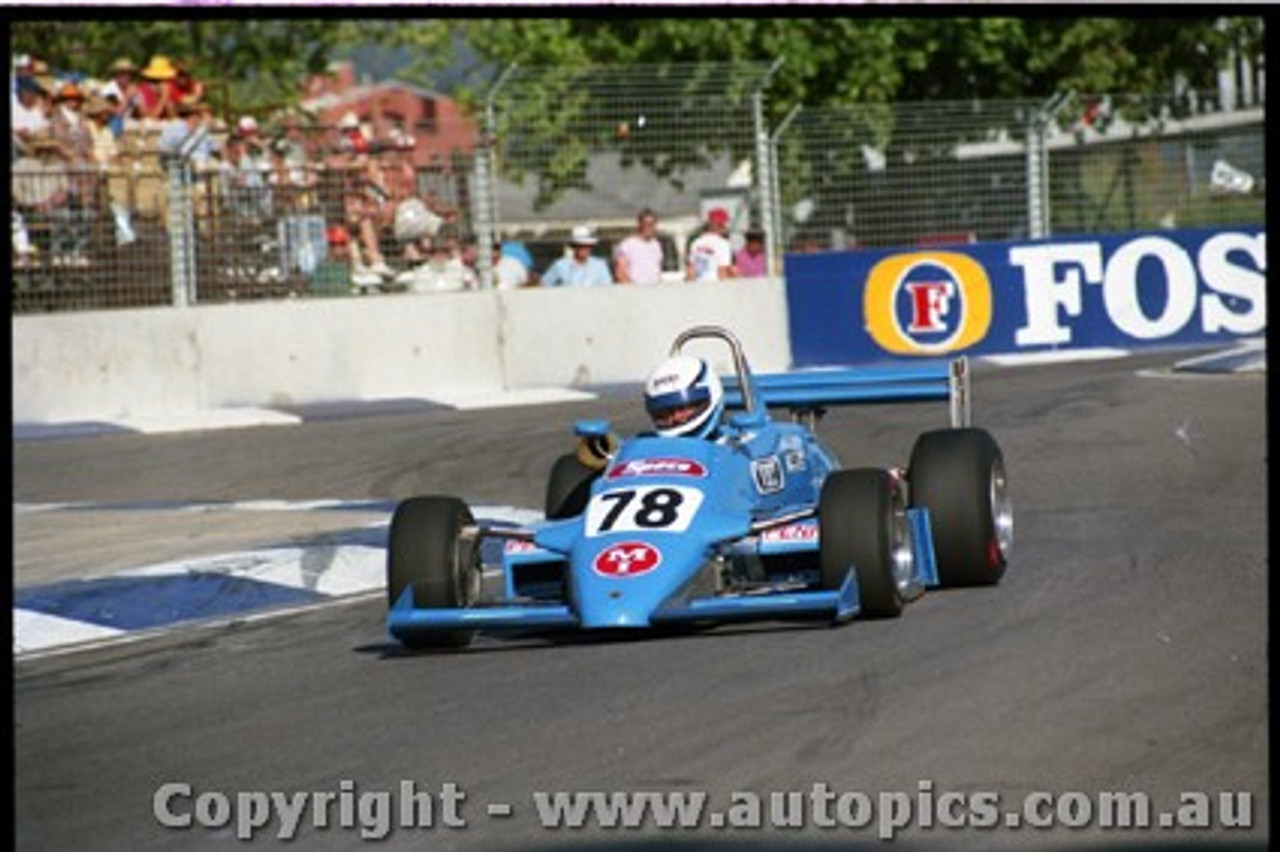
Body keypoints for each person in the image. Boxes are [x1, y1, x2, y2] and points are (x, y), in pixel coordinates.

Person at [642, 354, 725, 440]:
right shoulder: (645, 447)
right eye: (664, 412)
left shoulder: (731, 447)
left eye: (683, 408)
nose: (676, 417)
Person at [542, 225, 613, 287]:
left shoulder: (600, 266)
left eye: (587, 245)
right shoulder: (560, 266)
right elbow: (543, 285)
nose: (585, 249)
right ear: (574, 247)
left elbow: (607, 289)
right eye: (580, 246)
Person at [613, 207, 664, 285]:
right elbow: (621, 273)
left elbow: (658, 271)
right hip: (634, 291)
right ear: (640, 224)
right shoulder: (627, 245)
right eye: (646, 224)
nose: (649, 227)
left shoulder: (656, 245)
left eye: (652, 224)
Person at [687, 207, 738, 282]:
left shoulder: (696, 242)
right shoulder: (723, 244)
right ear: (722, 225)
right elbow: (722, 270)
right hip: (714, 287)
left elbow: (691, 270)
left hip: (698, 286)